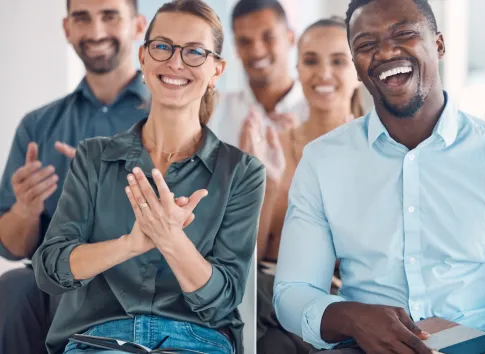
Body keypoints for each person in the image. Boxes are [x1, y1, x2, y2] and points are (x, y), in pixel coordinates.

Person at [273, 0, 485, 353]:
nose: (386, 52)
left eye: (403, 34)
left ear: (438, 44)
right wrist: (353, 318)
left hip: (481, 346)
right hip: (364, 347)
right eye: (366, 45)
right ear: (357, 68)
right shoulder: (322, 161)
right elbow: (293, 294)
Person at [31, 1, 264, 353]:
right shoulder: (94, 157)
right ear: (143, 57)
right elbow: (50, 270)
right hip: (97, 340)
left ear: (216, 70)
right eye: (162, 46)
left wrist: (171, 240)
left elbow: (223, 299)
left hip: (196, 342)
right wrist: (131, 244)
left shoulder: (242, 173)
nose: (175, 62)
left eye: (195, 52)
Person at [0, 0, 148, 353]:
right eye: (83, 18)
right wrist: (25, 209)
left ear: (138, 26)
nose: (96, 32)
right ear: (67, 28)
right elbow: (11, 247)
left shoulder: (168, 119)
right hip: (54, 279)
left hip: (140, 275)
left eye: (110, 16)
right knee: (14, 288)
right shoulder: (39, 126)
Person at [249, 17, 362, 354]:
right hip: (266, 299)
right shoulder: (270, 146)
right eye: (311, 61)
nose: (323, 73)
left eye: (338, 61)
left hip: (337, 302)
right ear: (297, 68)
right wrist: (266, 183)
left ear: (359, 70)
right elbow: (246, 254)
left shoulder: (378, 150)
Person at [209, 0, 308, 149]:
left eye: (268, 37)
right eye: (244, 41)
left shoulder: (317, 111)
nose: (257, 51)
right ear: (236, 48)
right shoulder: (215, 112)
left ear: (291, 38)